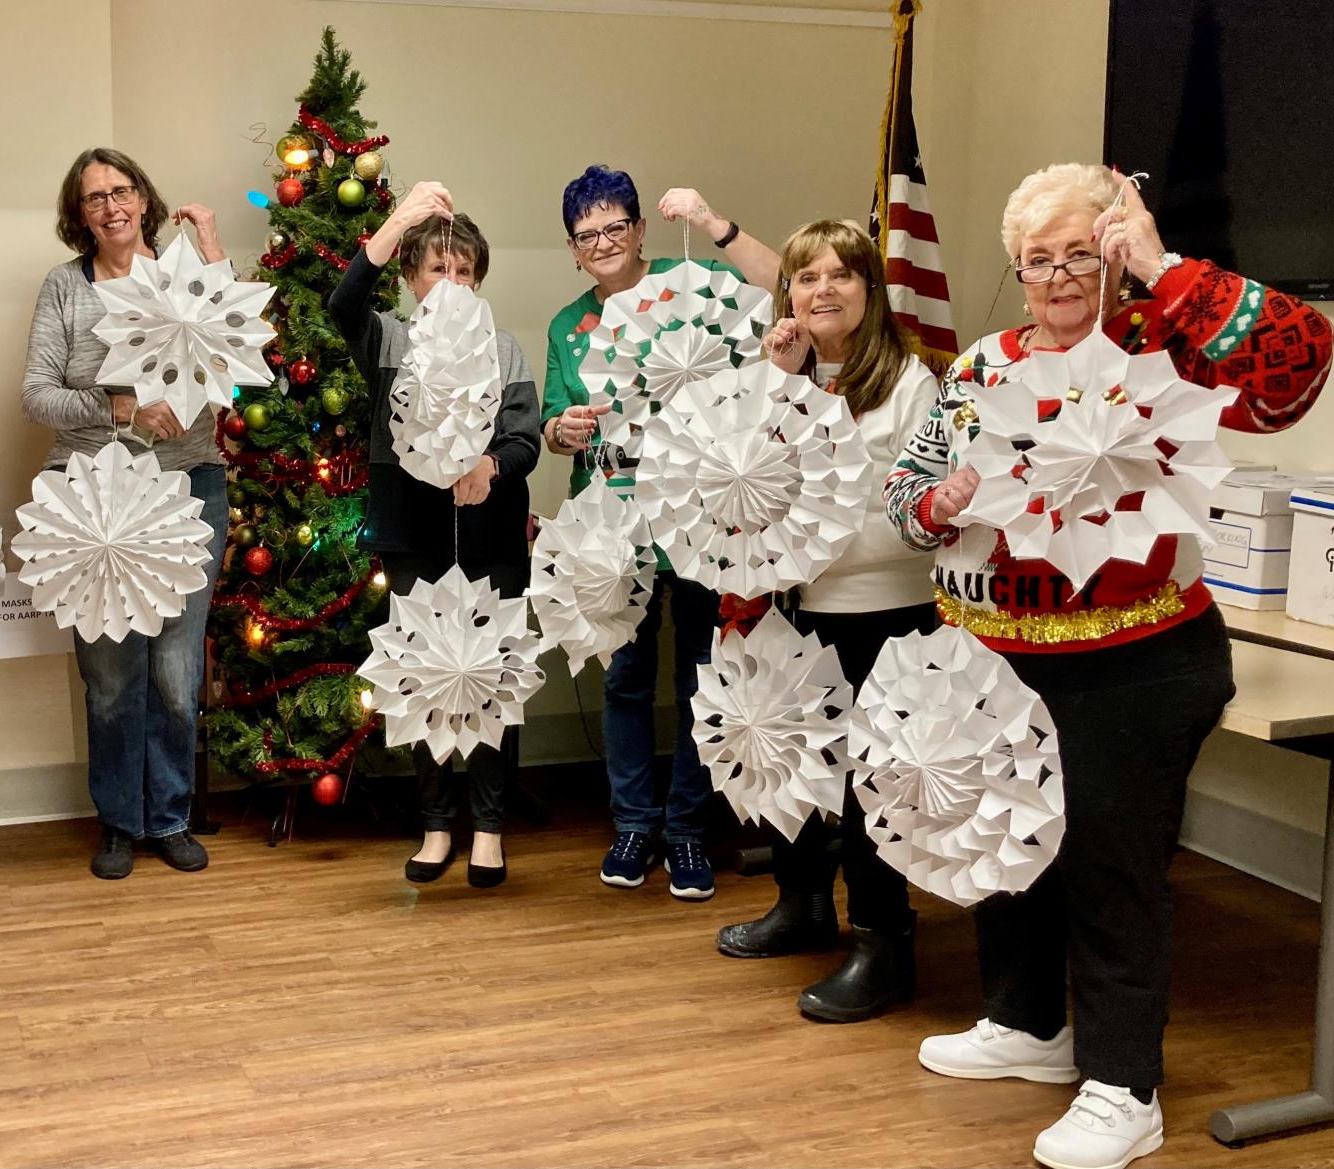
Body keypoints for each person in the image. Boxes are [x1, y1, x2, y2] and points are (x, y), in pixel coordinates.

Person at [888, 163, 1330, 1169]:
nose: (1054, 274)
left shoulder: (1161, 348)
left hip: (1139, 661)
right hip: (996, 661)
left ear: (1115, 253)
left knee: (1111, 867)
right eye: (1035, 259)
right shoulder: (979, 368)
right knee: (1006, 845)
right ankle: (1028, 1022)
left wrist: (1165, 266)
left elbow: (1300, 362)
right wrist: (936, 502)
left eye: (1079, 253)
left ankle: (1124, 1083)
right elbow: (906, 495)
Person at [710, 220, 939, 1024]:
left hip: (884, 612)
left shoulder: (910, 384)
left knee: (871, 785)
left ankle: (884, 944)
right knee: (795, 762)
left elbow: (916, 514)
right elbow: (742, 484)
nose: (823, 290)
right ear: (789, 295)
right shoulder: (783, 373)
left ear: (871, 292)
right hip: (794, 608)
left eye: (842, 275)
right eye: (806, 278)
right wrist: (774, 386)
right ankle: (802, 904)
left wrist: (813, 535)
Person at [540, 166, 779, 898]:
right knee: (626, 678)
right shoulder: (566, 324)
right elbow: (551, 426)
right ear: (575, 250)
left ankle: (686, 831)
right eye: (589, 235)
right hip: (612, 519)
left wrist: (713, 220)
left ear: (642, 229)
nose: (605, 243)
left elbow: (780, 286)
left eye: (617, 227)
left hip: (702, 509)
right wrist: (562, 427)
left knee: (702, 673)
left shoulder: (691, 277)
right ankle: (635, 821)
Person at [22, 147, 229, 880]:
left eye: (121, 190)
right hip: (93, 499)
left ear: (144, 198)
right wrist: (123, 408)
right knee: (111, 675)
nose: (110, 206)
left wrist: (211, 251)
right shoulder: (64, 288)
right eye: (93, 198)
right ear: (78, 216)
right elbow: (38, 394)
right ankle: (118, 820)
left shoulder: (186, 275)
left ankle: (167, 816)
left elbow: (232, 356)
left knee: (174, 672)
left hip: (189, 489)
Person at [328, 181, 540, 888]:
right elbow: (342, 303)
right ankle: (436, 822)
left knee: (491, 680)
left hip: (490, 539)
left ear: (478, 280)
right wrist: (402, 219)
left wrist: (490, 465)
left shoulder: (503, 348)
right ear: (411, 278)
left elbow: (524, 439)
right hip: (413, 537)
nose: (451, 282)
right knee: (424, 678)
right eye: (436, 269)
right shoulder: (389, 337)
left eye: (464, 271)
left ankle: (488, 826)